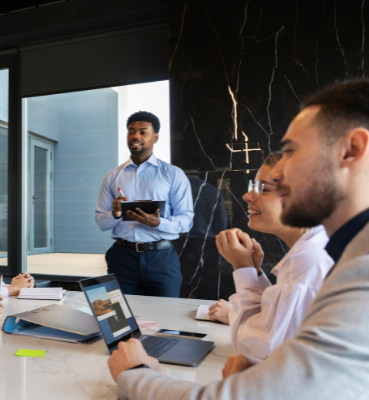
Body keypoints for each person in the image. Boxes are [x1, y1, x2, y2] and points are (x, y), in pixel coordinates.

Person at [107, 79, 369, 399]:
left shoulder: (355, 271)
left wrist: (135, 374)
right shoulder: (344, 255)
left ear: (351, 150)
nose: (278, 171)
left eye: (290, 151)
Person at [208, 153, 333, 359]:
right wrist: (255, 271)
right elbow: (278, 321)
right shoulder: (316, 245)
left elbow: (256, 351)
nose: (247, 196)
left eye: (263, 189)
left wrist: (243, 269)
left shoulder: (307, 258)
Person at [95, 111, 194, 297]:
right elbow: (101, 222)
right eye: (131, 131)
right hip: (122, 258)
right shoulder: (112, 176)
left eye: (143, 132)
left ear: (155, 137)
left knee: (166, 322)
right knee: (120, 321)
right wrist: (115, 213)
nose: (135, 136)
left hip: (161, 258)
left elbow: (187, 220)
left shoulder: (172, 174)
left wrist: (158, 223)